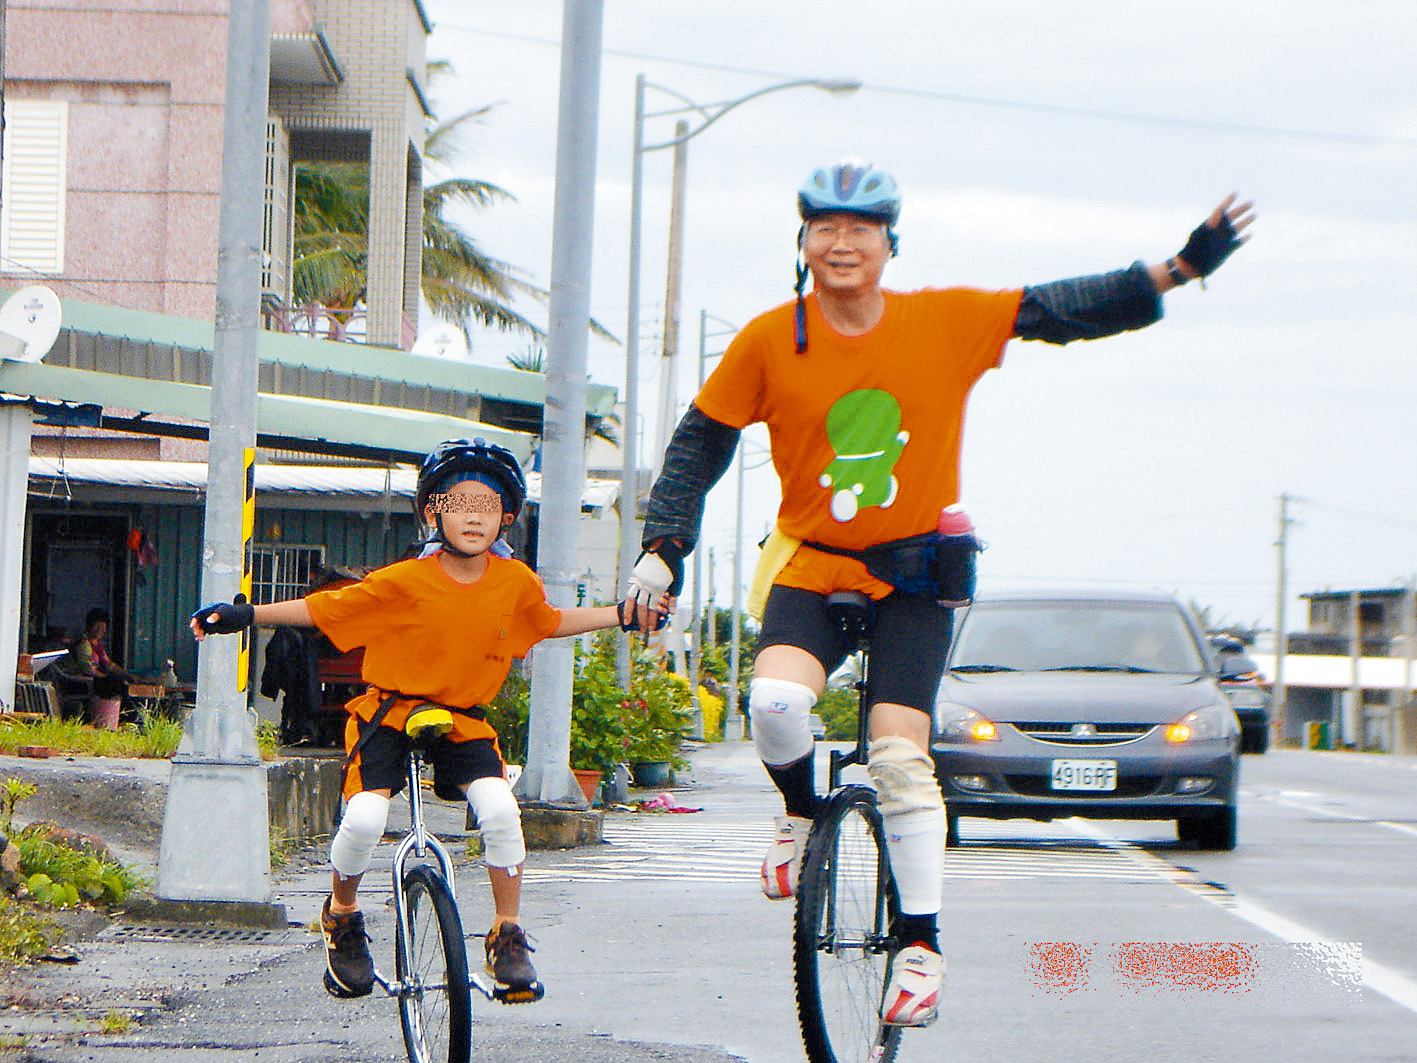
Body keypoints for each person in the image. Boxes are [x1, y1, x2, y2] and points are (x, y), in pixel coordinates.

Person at [624, 159, 1255, 1028]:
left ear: (889, 243)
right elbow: (698, 447)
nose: (842, 243)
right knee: (772, 699)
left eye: (861, 230)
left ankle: (919, 947)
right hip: (813, 561)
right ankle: (802, 810)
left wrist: (1177, 269)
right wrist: (663, 549)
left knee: (897, 757)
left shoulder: (942, 321)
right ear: (803, 243)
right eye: (824, 229)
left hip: (915, 575)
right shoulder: (770, 338)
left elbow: (1059, 307)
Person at [192, 438, 665, 1001]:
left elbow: (551, 620)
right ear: (432, 513)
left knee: (500, 810)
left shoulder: (516, 584)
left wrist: (621, 615)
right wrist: (245, 614)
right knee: (366, 817)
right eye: (458, 504)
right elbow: (326, 609)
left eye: (488, 507)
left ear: (507, 519)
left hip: (464, 722)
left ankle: (506, 936)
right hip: (387, 715)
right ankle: (341, 915)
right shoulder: (404, 581)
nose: (473, 516)